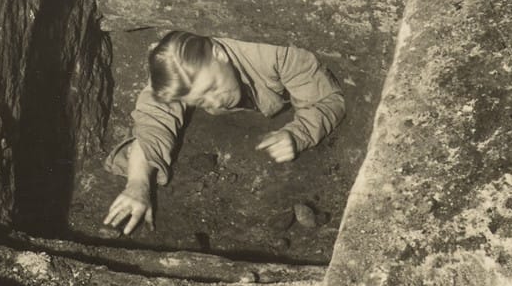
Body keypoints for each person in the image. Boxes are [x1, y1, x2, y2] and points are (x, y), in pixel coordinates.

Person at [102, 31, 347, 235]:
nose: (216, 104)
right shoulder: (178, 68)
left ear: (218, 53)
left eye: (212, 88)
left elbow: (327, 99)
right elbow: (153, 120)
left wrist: (299, 133)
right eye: (200, 100)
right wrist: (137, 184)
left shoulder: (276, 52)